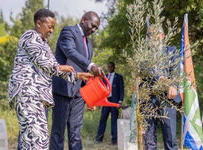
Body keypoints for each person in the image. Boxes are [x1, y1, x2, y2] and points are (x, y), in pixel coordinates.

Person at [8, 9, 93, 150]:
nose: (52, 30)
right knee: (38, 139)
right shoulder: (30, 36)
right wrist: (60, 67)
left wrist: (78, 75)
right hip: (28, 93)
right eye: (49, 26)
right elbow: (46, 63)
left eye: (53, 27)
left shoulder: (44, 44)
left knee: (29, 139)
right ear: (38, 23)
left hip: (36, 96)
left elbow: (54, 69)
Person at [50, 11, 103, 150]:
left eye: (96, 28)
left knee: (76, 131)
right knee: (58, 131)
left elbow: (85, 71)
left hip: (79, 94)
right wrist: (91, 66)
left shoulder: (89, 44)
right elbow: (70, 52)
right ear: (84, 20)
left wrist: (91, 97)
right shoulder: (68, 31)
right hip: (63, 89)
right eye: (92, 25)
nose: (93, 29)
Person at [142, 25, 180, 150]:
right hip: (149, 98)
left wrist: (173, 85)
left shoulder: (171, 50)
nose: (152, 37)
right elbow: (144, 70)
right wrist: (160, 79)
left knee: (170, 138)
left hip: (168, 99)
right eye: (149, 35)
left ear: (162, 36)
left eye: (155, 34)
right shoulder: (144, 54)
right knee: (149, 139)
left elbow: (175, 70)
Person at [96, 62, 124, 145]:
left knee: (114, 120)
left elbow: (121, 89)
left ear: (114, 67)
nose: (109, 68)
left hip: (114, 101)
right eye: (108, 67)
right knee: (102, 119)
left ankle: (114, 140)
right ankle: (99, 139)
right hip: (106, 101)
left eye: (111, 66)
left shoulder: (118, 77)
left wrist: (120, 101)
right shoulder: (105, 77)